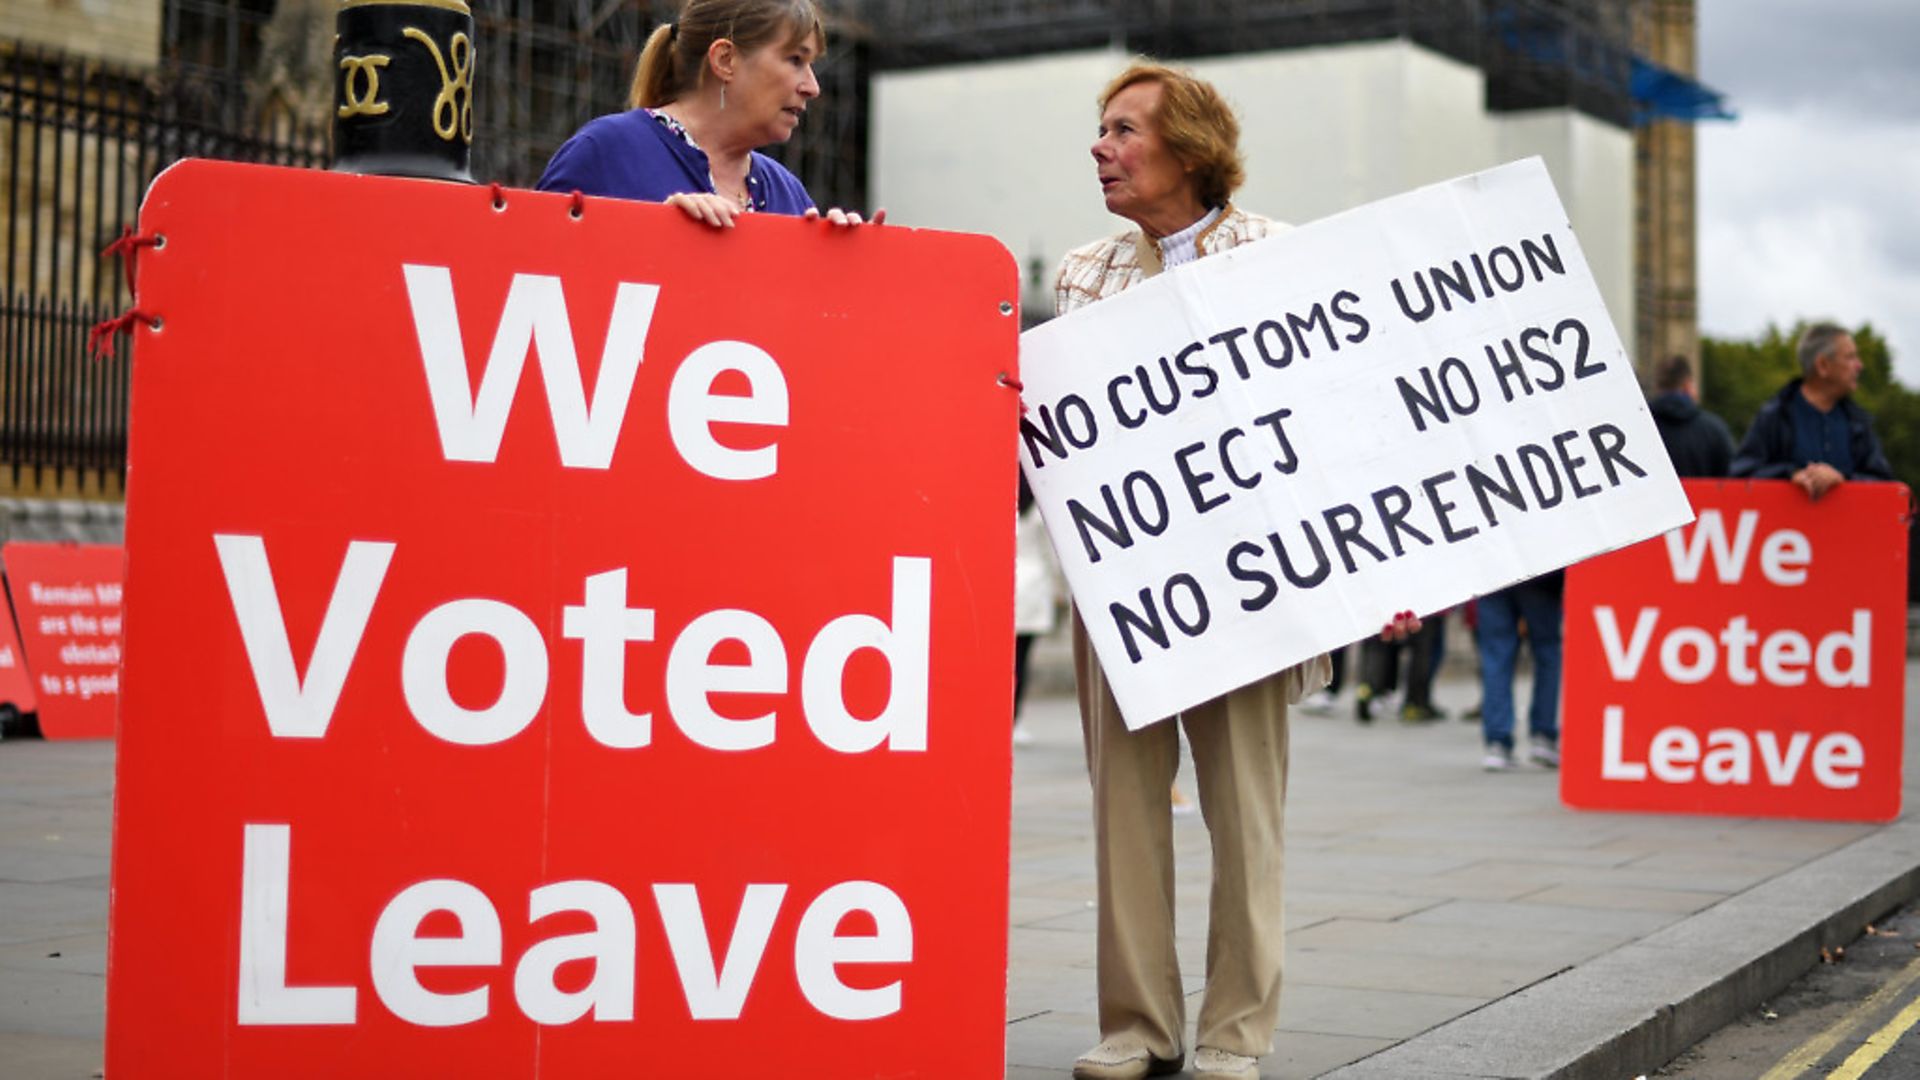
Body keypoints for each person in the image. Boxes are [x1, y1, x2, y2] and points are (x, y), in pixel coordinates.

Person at [1051, 60, 1419, 1080]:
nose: (1102, 147)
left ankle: (1234, 1032)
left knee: (1245, 814)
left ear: (1191, 151)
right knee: (1124, 811)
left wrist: (1379, 571)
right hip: (1123, 584)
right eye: (1103, 129)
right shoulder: (1082, 272)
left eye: (1125, 131)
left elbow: (1345, 427)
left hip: (1254, 584)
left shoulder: (1285, 257)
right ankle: (1137, 1026)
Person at [536, 0, 878, 228]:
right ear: (725, 60)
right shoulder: (608, 152)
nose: (812, 87)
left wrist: (838, 264)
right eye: (795, 60)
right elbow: (521, 282)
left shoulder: (788, 192)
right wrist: (657, 233)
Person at [1730, 323, 1892, 498]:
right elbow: (1741, 474)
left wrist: (1843, 479)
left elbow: (1884, 483)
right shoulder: (1775, 416)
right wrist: (1790, 475)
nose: (1859, 366)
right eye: (1850, 357)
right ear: (1823, 365)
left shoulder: (1858, 422)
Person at [1476, 571, 1562, 771]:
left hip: (1492, 571)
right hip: (1540, 573)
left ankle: (1497, 743)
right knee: (1547, 653)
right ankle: (1543, 737)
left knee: (1496, 656)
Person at [1647, 355, 1734, 477]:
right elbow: (1729, 479)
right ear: (1688, 385)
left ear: (1658, 386)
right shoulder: (1714, 430)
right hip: (1704, 496)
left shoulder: (1640, 428)